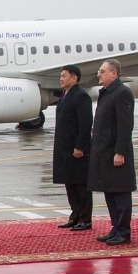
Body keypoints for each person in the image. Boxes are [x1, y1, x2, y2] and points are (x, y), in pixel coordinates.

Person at [88, 60, 136, 245]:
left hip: (115, 152)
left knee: (120, 192)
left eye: (102, 71)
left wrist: (120, 152)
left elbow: (125, 126)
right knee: (110, 191)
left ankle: (123, 231)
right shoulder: (107, 93)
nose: (98, 74)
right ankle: (116, 228)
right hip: (104, 151)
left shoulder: (122, 93)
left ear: (114, 73)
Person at [51, 65, 93, 229]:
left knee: (80, 184)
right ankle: (75, 215)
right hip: (64, 148)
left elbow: (85, 123)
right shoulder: (64, 96)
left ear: (74, 78)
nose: (61, 79)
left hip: (76, 149)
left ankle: (85, 218)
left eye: (64, 76)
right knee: (70, 183)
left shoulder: (81, 96)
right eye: (60, 76)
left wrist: (80, 146)